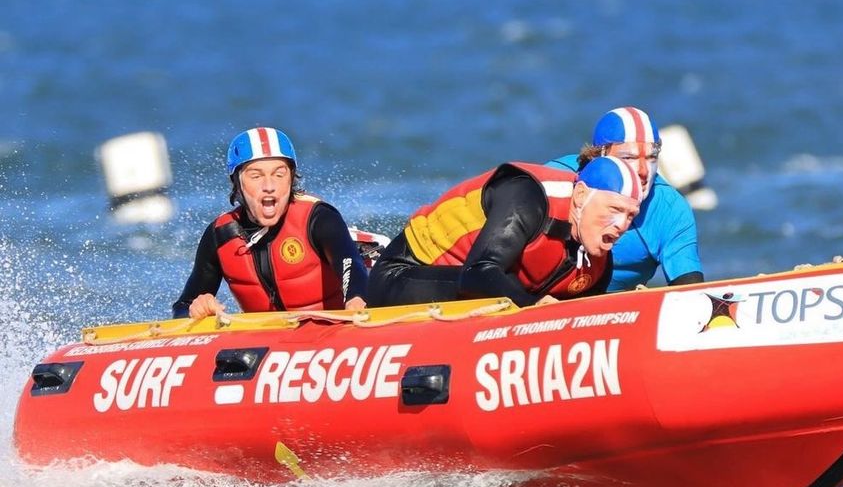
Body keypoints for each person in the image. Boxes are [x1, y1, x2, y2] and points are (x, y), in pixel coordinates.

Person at [367, 157, 643, 308]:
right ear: (581, 195)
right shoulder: (529, 198)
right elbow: (478, 274)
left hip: (490, 285)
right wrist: (533, 306)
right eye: (614, 209)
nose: (622, 225)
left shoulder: (597, 259)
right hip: (403, 273)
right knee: (490, 288)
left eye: (631, 215)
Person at [172, 127, 367, 319]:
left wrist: (356, 298)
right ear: (237, 183)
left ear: (291, 178)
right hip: (270, 336)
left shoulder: (319, 218)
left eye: (279, 174)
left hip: (332, 328)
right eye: (256, 176)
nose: (269, 186)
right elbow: (182, 307)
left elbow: (352, 264)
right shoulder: (220, 235)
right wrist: (195, 309)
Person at [547, 106, 704, 290]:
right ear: (597, 158)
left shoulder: (670, 209)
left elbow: (691, 293)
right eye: (628, 158)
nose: (643, 171)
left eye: (652, 158)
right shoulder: (555, 181)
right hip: (540, 297)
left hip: (617, 305)